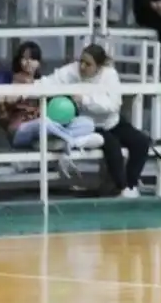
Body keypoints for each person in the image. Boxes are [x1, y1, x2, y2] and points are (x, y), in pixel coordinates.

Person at [41, 44, 151, 198]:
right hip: (88, 126)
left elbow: (113, 105)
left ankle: (131, 185)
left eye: (88, 64)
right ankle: (121, 186)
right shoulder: (71, 71)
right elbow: (47, 82)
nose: (82, 66)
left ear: (99, 67)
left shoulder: (110, 75)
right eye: (81, 62)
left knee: (141, 142)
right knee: (113, 147)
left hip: (112, 122)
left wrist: (85, 100)